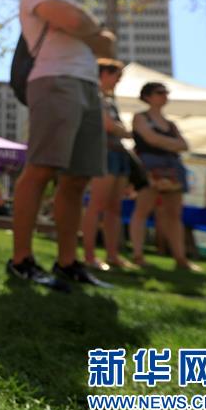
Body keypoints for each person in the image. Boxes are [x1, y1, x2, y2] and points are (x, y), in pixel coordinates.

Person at [7, 0, 117, 291]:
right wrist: (89, 27)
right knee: (41, 169)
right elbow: (77, 25)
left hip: (87, 88)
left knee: (77, 179)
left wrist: (84, 25)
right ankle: (21, 260)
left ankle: (68, 263)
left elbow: (104, 41)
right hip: (54, 83)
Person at [128, 82, 199, 270]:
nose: (165, 95)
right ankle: (138, 255)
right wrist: (170, 143)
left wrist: (162, 142)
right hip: (149, 166)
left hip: (172, 167)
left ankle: (180, 258)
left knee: (174, 214)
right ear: (147, 96)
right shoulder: (140, 117)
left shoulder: (170, 124)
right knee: (143, 209)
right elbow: (151, 139)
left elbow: (184, 145)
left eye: (166, 92)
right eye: (160, 92)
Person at [81, 59, 136, 271]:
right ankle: (89, 255)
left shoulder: (110, 100)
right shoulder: (94, 94)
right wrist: (125, 131)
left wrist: (120, 130)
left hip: (118, 153)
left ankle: (112, 255)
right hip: (103, 152)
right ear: (103, 73)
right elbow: (108, 125)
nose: (118, 81)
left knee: (115, 207)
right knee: (97, 204)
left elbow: (116, 126)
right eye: (116, 76)